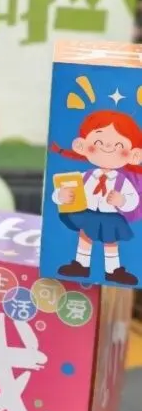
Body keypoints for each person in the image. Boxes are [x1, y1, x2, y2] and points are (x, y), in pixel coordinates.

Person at [49, 109, 142, 285]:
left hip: (110, 217)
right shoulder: (86, 176)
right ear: (82, 145)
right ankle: (81, 265)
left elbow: (133, 200)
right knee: (85, 237)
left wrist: (122, 201)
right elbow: (63, 190)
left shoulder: (122, 181)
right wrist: (60, 196)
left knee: (111, 242)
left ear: (133, 155)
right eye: (98, 142)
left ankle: (113, 270)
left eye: (119, 146)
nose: (107, 148)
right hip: (89, 213)